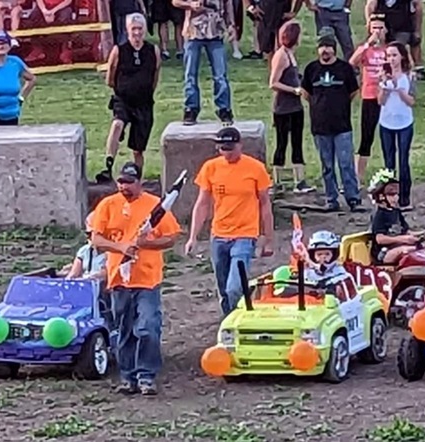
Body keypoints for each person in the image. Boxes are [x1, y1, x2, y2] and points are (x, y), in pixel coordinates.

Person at [90, 162, 182, 396]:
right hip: (119, 278)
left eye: (129, 182)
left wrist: (146, 243)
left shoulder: (155, 206)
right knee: (124, 329)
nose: (124, 186)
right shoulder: (107, 205)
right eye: (120, 182)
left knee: (148, 326)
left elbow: (171, 238)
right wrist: (120, 246)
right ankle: (127, 376)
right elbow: (97, 240)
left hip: (147, 278)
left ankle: (147, 375)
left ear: (139, 182)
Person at [185, 127, 275, 317]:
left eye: (230, 148)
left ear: (239, 145)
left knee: (234, 286)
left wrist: (268, 238)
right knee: (224, 288)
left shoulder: (255, 168)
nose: (226, 153)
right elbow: (202, 203)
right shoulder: (211, 168)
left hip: (245, 234)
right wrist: (192, 236)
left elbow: (265, 205)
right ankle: (230, 320)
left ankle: (239, 318)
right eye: (222, 148)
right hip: (219, 235)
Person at [301, 28, 364, 213]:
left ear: (334, 49)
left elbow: (353, 92)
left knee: (346, 164)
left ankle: (353, 198)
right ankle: (331, 198)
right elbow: (306, 93)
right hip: (320, 127)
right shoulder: (311, 69)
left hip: (342, 126)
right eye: (322, 47)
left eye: (328, 46)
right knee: (326, 165)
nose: (325, 50)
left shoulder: (344, 69)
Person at [96, 13, 160, 184]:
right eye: (134, 29)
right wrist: (120, 88)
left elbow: (155, 75)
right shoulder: (119, 50)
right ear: (127, 30)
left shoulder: (152, 51)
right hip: (123, 99)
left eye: (140, 29)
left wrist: (146, 90)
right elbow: (110, 76)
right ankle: (108, 166)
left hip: (144, 103)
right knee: (117, 124)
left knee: (138, 149)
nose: (137, 33)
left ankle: (137, 179)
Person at [268, 21, 314, 194]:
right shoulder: (281, 55)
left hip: (296, 107)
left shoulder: (291, 54)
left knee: (297, 142)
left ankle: (299, 180)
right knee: (282, 143)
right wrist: (294, 90)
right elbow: (273, 83)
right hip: (283, 107)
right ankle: (277, 181)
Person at [173, 0, 235, 125]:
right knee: (190, 74)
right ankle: (191, 108)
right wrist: (190, 5)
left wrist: (231, 24)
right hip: (193, 32)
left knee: (220, 74)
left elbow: (228, 3)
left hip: (215, 31)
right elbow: (175, 1)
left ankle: (224, 109)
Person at [377, 42, 416, 209]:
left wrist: (400, 91)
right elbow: (380, 101)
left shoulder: (409, 77)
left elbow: (412, 101)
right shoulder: (383, 76)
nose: (391, 59)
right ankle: (390, 197)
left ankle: (405, 198)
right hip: (386, 122)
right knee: (389, 162)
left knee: (403, 160)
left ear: (401, 56)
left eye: (394, 55)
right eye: (389, 56)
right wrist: (385, 86)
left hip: (404, 123)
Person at [349, 15, 387, 182]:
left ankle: (389, 173)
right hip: (369, 96)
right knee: (366, 137)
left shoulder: (390, 50)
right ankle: (358, 176)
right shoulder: (366, 50)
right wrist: (367, 44)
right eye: (374, 28)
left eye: (380, 28)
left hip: (387, 98)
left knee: (388, 137)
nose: (377, 31)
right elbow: (352, 62)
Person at [367, 169, 422, 265]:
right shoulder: (379, 215)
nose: (396, 198)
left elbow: (405, 230)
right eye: (392, 195)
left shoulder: (396, 211)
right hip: (383, 252)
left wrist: (417, 236)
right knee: (407, 250)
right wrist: (403, 239)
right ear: (381, 197)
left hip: (397, 245)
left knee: (421, 248)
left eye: (397, 194)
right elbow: (379, 239)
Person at [366, 0, 424, 79]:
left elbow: (418, 6)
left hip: (403, 26)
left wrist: (417, 30)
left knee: (398, 47)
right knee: (378, 44)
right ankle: (382, 69)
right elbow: (370, 6)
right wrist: (370, 25)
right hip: (383, 23)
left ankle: (410, 69)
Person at [65, 212, 108, 280]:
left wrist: (91, 277)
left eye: (92, 234)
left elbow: (106, 273)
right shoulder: (84, 251)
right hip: (86, 285)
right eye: (87, 234)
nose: (89, 238)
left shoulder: (112, 252)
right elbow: (74, 273)